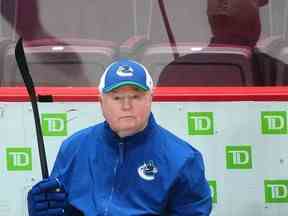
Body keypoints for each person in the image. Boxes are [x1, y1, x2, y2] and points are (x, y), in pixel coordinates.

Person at [27, 59, 212, 216]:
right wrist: (46, 209)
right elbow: (61, 207)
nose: (126, 105)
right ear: (101, 102)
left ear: (150, 99)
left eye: (136, 96)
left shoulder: (183, 159)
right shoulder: (74, 147)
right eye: (116, 98)